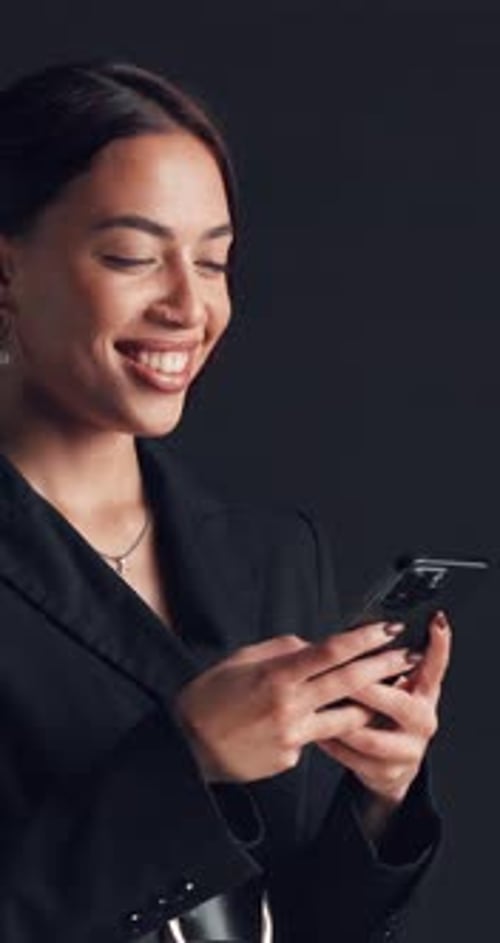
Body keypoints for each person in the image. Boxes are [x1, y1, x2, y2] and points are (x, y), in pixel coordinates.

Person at [0, 60, 450, 943]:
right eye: (132, 256)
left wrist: (378, 798)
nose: (188, 305)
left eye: (214, 261)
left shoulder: (273, 554)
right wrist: (188, 762)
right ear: (6, 271)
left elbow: (306, 920)